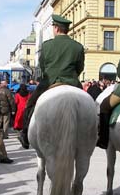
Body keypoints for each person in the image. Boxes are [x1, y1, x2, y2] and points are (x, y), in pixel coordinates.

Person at [18, 14, 85, 149]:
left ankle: (25, 135)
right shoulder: (77, 46)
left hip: (50, 82)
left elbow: (42, 67)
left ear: (56, 28)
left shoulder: (47, 45)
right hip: (72, 82)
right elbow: (80, 68)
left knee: (29, 105)